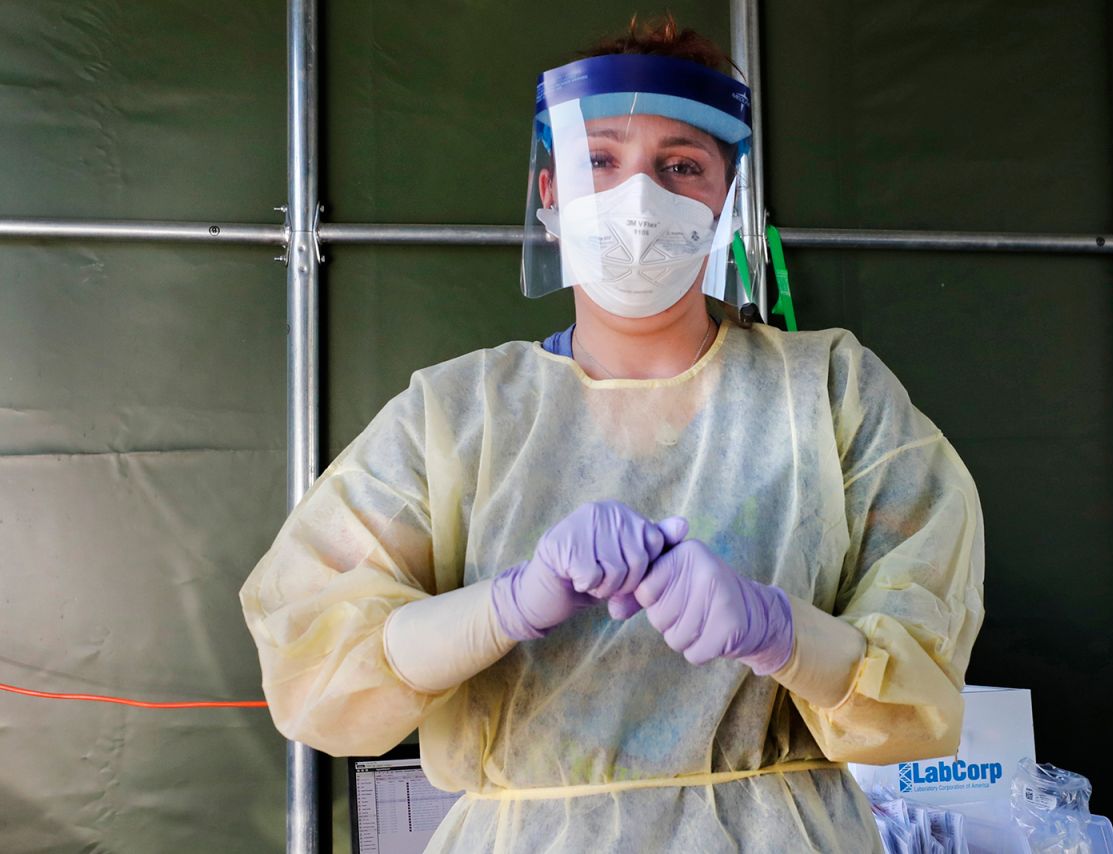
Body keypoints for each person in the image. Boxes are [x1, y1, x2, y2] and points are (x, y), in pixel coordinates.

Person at [241, 16, 984, 853]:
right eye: (601, 160)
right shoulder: (459, 415)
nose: (639, 197)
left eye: (680, 166)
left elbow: (917, 684)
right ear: (549, 193)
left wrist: (778, 630)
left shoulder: (832, 392)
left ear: (722, 197)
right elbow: (316, 664)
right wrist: (508, 606)